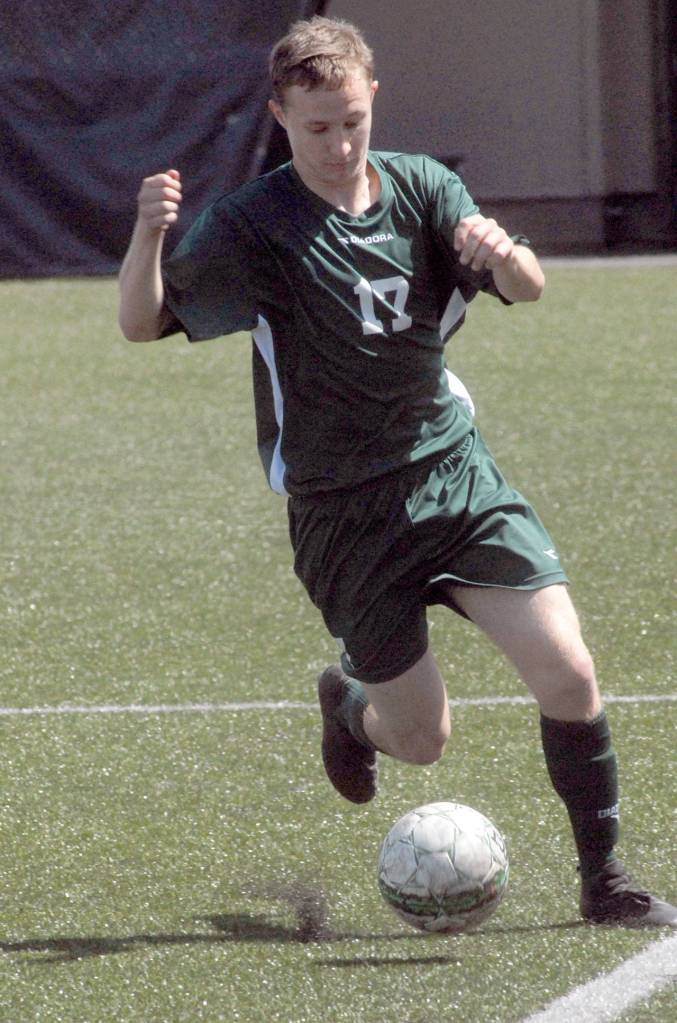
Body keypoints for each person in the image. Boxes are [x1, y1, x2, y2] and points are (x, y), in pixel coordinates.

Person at [118, 15, 676, 928]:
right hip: (345, 513)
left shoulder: (422, 187)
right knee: (420, 739)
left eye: (351, 121)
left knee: (569, 673)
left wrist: (505, 255)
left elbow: (527, 286)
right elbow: (142, 323)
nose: (338, 145)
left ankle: (604, 882)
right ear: (278, 116)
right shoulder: (255, 223)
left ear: (372, 98)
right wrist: (147, 236)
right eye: (315, 128)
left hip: (454, 478)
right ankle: (350, 709)